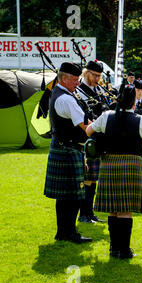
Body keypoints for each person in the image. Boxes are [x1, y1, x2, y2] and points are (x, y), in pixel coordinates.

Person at [86, 84, 142, 259]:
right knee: (125, 209)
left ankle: (114, 248)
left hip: (109, 163)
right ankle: (124, 250)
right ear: (133, 103)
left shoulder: (106, 116)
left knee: (113, 209)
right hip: (131, 165)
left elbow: (88, 131)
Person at [44, 62, 92, 244]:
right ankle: (69, 233)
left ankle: (62, 232)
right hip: (68, 149)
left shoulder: (61, 93)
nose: (78, 83)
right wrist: (103, 126)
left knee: (64, 196)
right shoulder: (66, 99)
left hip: (62, 147)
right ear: (63, 78)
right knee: (72, 195)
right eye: (74, 80)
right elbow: (86, 128)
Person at [75, 60, 109, 223]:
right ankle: (83, 214)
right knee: (87, 178)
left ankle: (90, 213)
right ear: (86, 73)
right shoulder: (79, 91)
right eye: (94, 75)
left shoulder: (98, 89)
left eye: (99, 76)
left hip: (99, 137)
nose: (97, 79)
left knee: (94, 177)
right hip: (87, 138)